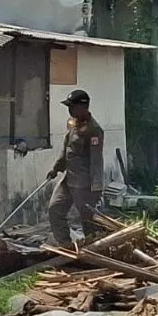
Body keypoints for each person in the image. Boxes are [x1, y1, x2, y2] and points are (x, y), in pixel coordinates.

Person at [46, 89, 105, 247]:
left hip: (84, 184)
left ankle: (95, 249)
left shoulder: (94, 130)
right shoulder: (73, 125)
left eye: (72, 107)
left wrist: (96, 187)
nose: (69, 110)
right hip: (69, 179)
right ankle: (66, 246)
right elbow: (66, 150)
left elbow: (96, 160)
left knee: (88, 220)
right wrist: (56, 168)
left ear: (83, 107)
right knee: (55, 209)